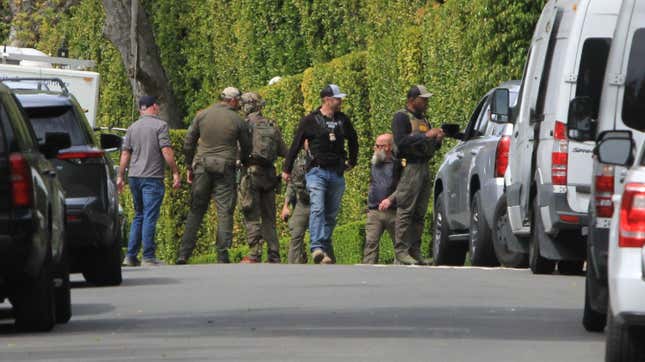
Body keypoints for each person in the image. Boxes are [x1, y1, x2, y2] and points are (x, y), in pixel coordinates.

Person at [282, 84, 359, 264]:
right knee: (318, 207)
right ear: (326, 100)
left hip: (337, 172)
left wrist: (352, 162)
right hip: (317, 171)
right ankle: (316, 247)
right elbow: (295, 145)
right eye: (337, 98)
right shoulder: (310, 120)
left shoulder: (343, 120)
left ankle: (323, 246)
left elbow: (354, 140)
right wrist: (286, 169)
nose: (340, 101)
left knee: (331, 213)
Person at [176, 87, 251, 264]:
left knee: (196, 210)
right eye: (238, 101)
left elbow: (188, 142)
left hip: (202, 166)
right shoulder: (237, 120)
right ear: (232, 101)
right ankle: (222, 255)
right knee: (225, 211)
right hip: (225, 168)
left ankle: (183, 254)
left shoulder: (202, 115)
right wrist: (243, 161)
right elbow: (246, 147)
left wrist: (189, 165)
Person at [117, 95, 181, 266]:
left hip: (134, 177)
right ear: (154, 106)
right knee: (150, 216)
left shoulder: (132, 128)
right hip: (152, 177)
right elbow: (166, 150)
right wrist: (175, 171)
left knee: (138, 215)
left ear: (141, 109)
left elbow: (125, 154)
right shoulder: (161, 126)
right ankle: (148, 256)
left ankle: (130, 256)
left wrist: (120, 176)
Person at [391, 85, 444, 265]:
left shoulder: (424, 119)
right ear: (412, 100)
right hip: (409, 167)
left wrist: (436, 140)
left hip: (424, 166)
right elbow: (401, 142)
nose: (427, 102)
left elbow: (431, 145)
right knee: (406, 210)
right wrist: (426, 135)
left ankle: (415, 250)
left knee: (420, 212)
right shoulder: (401, 117)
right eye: (424, 99)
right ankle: (401, 251)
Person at [238, 92, 288, 263]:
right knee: (269, 217)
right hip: (270, 176)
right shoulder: (271, 125)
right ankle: (274, 253)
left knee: (251, 213)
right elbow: (284, 152)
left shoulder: (244, 125)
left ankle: (254, 253)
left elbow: (238, 152)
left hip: (250, 174)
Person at [362, 133, 401, 264]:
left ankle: (402, 272)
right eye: (376, 146)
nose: (376, 149)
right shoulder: (374, 163)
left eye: (380, 146)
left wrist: (390, 199)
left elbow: (404, 187)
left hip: (394, 211)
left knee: (400, 245)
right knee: (370, 244)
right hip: (374, 212)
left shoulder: (399, 165)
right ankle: (368, 272)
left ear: (389, 147)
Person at [281, 147, 311, 264]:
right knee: (296, 234)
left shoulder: (322, 156)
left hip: (318, 201)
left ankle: (327, 269)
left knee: (320, 237)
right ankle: (293, 266)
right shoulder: (297, 160)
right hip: (302, 203)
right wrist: (285, 205)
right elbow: (291, 185)